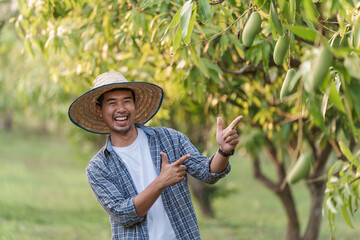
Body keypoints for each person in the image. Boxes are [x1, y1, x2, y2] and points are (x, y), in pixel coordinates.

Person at [68, 71, 242, 240]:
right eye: (112, 103)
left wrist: (224, 151)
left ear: (135, 105)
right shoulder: (98, 167)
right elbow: (124, 214)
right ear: (99, 110)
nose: (121, 109)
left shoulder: (170, 139)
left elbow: (208, 172)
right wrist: (161, 181)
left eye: (127, 101)